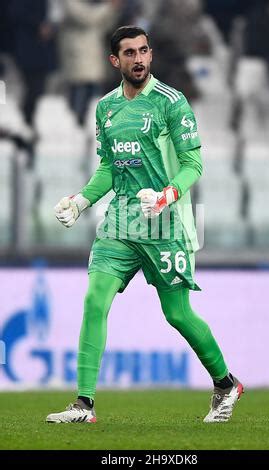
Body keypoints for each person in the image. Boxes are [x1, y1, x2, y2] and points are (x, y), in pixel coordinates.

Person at [46, 26, 243, 424]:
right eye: (129, 53)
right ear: (114, 61)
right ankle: (84, 405)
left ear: (151, 55)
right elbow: (109, 167)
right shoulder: (105, 108)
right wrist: (82, 200)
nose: (138, 59)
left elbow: (193, 165)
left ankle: (226, 385)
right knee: (94, 300)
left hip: (166, 223)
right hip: (121, 220)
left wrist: (167, 195)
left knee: (177, 315)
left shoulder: (172, 102)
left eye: (144, 51)